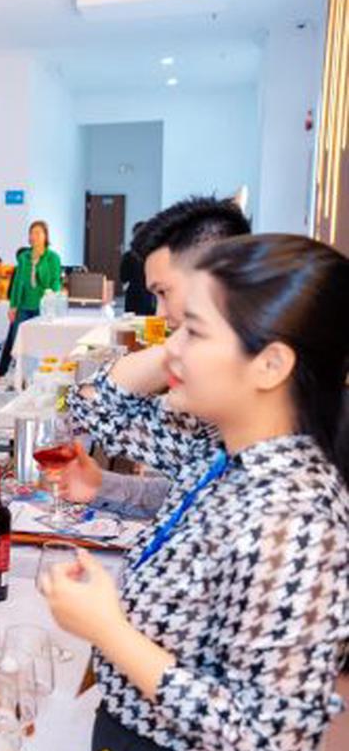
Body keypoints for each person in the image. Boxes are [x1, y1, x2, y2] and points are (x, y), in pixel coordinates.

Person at [42, 234, 349, 751]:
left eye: (195, 332)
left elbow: (272, 748)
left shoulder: (294, 514)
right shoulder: (232, 457)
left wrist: (109, 629)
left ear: (271, 364)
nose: (171, 349)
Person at [40, 197, 250, 517]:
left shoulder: (278, 436)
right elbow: (195, 490)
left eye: (164, 292)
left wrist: (177, 347)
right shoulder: (207, 394)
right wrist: (100, 486)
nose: (160, 314)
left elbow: (94, 408)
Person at [0, 220, 62, 378]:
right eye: (31, 233)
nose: (34, 236)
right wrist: (13, 305)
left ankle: (40, 375)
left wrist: (39, 262)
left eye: (38, 233)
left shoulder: (52, 258)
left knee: (41, 342)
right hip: (24, 306)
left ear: (45, 236)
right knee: (18, 341)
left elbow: (53, 282)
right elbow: (18, 283)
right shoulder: (24, 257)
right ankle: (21, 376)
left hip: (43, 307)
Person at [120, 221, 155, 316]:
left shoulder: (128, 256)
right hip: (149, 294)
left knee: (131, 321)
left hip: (133, 294)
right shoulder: (154, 255)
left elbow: (123, 277)